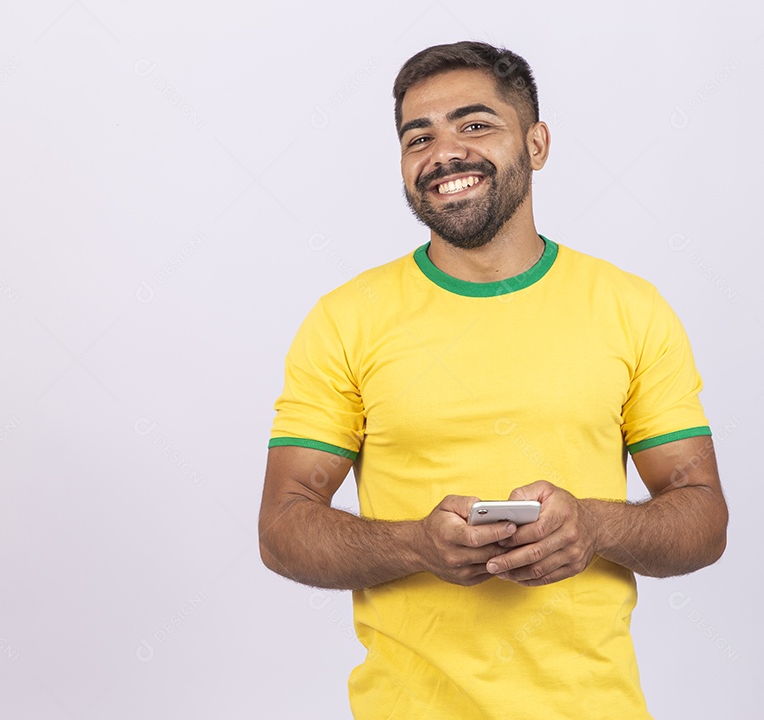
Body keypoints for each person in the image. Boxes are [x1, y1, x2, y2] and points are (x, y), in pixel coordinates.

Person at [259, 40, 728, 719]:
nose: (444, 153)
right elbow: (282, 527)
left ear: (536, 144)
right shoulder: (345, 320)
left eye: (475, 124)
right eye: (418, 137)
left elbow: (703, 517)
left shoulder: (631, 308)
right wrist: (415, 545)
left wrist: (593, 526)